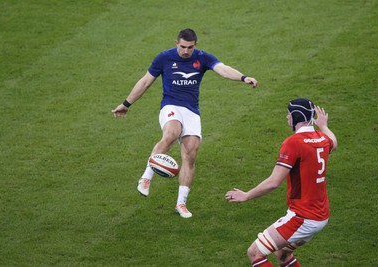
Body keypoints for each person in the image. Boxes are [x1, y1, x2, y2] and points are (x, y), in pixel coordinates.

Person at [112, 28, 258, 218]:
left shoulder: (202, 58)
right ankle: (146, 178)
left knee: (190, 153)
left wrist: (244, 78)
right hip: (170, 105)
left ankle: (181, 203)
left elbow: (223, 69)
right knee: (172, 133)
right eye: (182, 47)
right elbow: (145, 82)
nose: (186, 51)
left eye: (190, 47)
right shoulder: (164, 58)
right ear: (176, 43)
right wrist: (126, 104)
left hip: (191, 111)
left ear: (195, 45)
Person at [225, 98, 338, 266]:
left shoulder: (293, 143)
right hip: (320, 215)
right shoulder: (321, 138)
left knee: (254, 253)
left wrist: (246, 195)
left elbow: (273, 182)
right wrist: (324, 126)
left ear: (296, 116)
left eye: (289, 114)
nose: (287, 117)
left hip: (302, 217)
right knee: (283, 254)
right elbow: (333, 143)